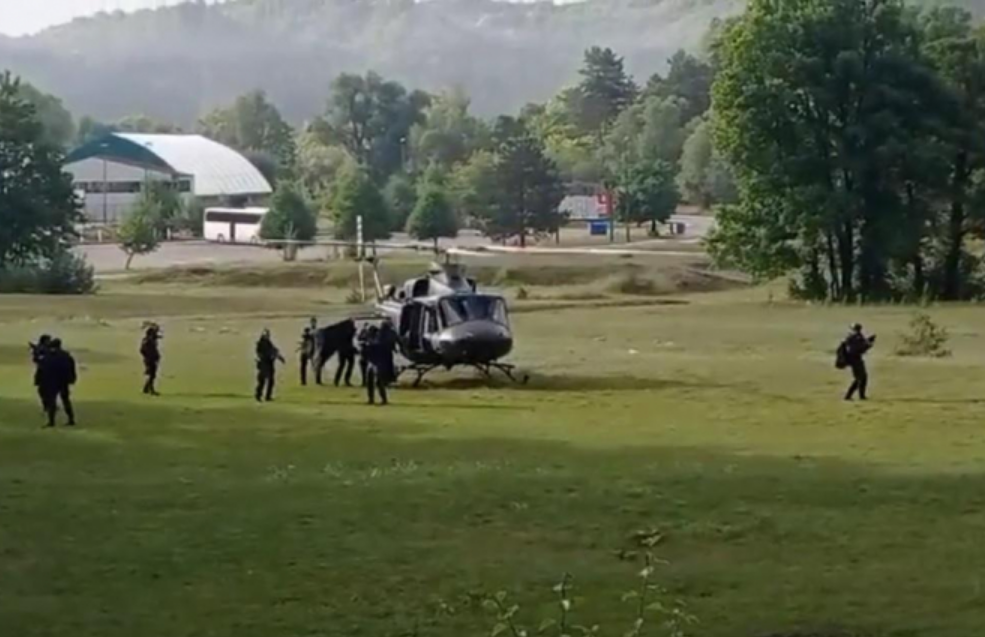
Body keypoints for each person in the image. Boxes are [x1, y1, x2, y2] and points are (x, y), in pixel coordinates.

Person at [39, 338, 77, 427]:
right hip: (63, 381)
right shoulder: (66, 356)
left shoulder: (49, 356)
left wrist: (42, 380)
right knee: (66, 400)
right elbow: (71, 368)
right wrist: (72, 378)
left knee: (52, 401)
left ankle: (51, 421)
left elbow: (44, 369)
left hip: (52, 381)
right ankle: (71, 419)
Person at [837, 323, 876, 401]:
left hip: (855, 359)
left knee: (862, 378)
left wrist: (868, 342)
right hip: (855, 359)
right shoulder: (855, 337)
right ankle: (850, 396)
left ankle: (860, 396)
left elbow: (859, 346)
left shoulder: (853, 337)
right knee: (860, 378)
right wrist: (869, 343)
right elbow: (858, 349)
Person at [365, 321, 398, 406]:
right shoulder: (388, 337)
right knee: (378, 382)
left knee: (374, 382)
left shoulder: (377, 341)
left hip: (375, 362)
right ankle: (382, 399)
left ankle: (373, 399)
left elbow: (371, 349)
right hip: (380, 362)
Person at [255, 329, 285, 402]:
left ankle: (267, 396)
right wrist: (269, 356)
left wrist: (280, 358)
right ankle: (259, 395)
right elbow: (259, 354)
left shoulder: (268, 343)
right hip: (264, 364)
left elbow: (274, 351)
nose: (267, 336)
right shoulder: (261, 344)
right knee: (262, 381)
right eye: (266, 335)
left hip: (269, 364)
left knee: (270, 381)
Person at [30, 334, 52, 411]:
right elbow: (36, 359)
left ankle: (48, 404)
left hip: (44, 371)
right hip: (44, 371)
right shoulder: (44, 348)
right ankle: (48, 404)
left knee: (44, 390)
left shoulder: (44, 348)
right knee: (43, 390)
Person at [140, 324, 163, 396]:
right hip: (150, 360)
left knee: (151, 375)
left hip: (151, 359)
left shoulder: (149, 339)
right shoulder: (148, 341)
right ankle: (151, 390)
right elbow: (142, 350)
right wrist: (149, 357)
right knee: (152, 375)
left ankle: (146, 389)